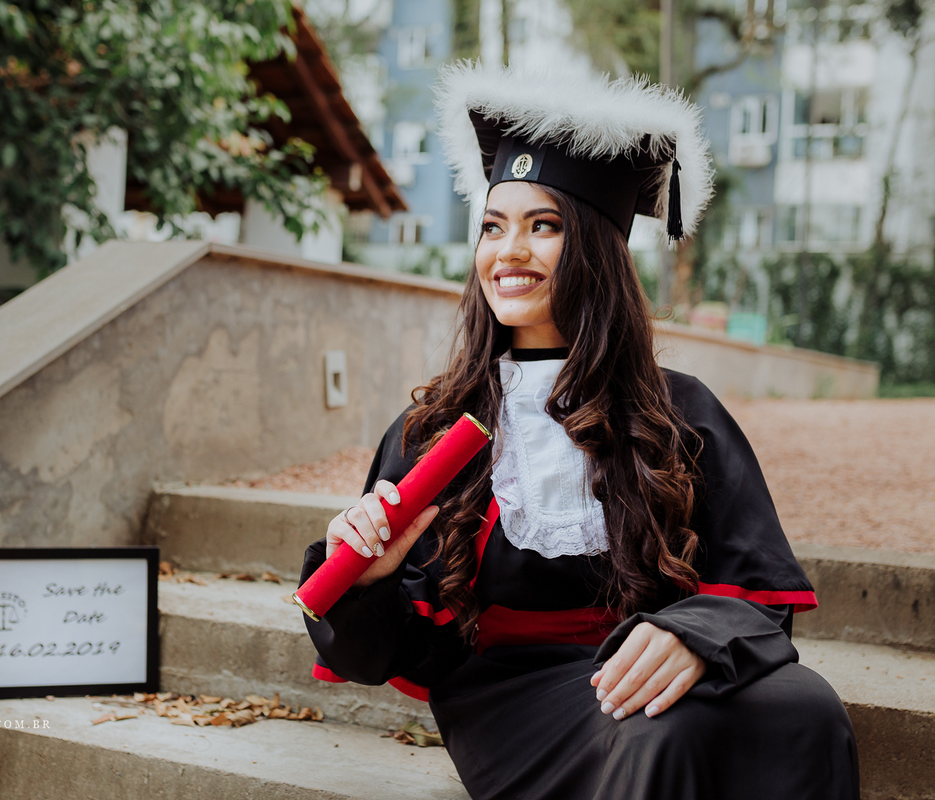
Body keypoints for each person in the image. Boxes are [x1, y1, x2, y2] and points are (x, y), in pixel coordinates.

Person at [299, 63, 860, 800]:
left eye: (544, 226)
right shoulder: (434, 431)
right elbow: (396, 653)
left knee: (804, 708)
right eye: (494, 227)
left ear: (597, 247)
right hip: (509, 697)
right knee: (664, 725)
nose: (510, 252)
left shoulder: (680, 412)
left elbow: (755, 597)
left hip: (649, 664)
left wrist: (692, 636)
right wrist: (367, 582)